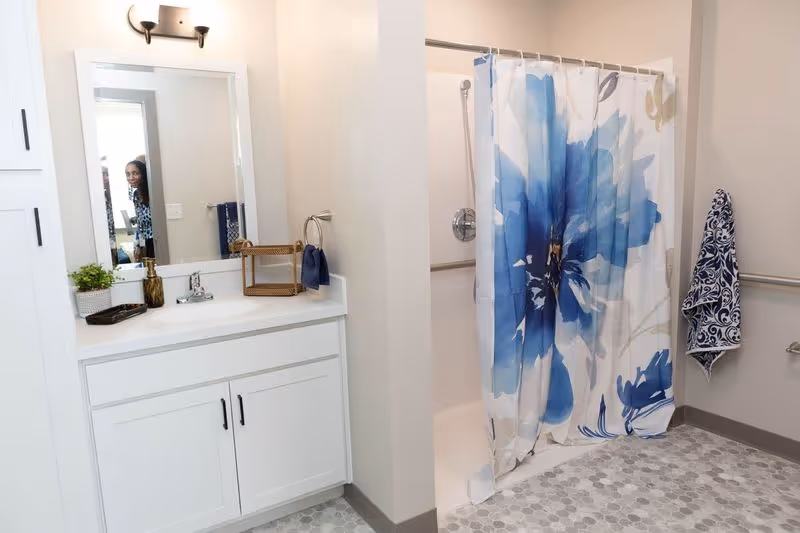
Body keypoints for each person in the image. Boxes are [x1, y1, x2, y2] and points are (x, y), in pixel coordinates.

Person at [125, 159, 154, 259]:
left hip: (155, 240)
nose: (131, 177)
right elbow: (141, 222)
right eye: (128, 174)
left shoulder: (152, 192)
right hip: (144, 241)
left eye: (135, 173)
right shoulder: (136, 194)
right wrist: (138, 244)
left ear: (143, 174)